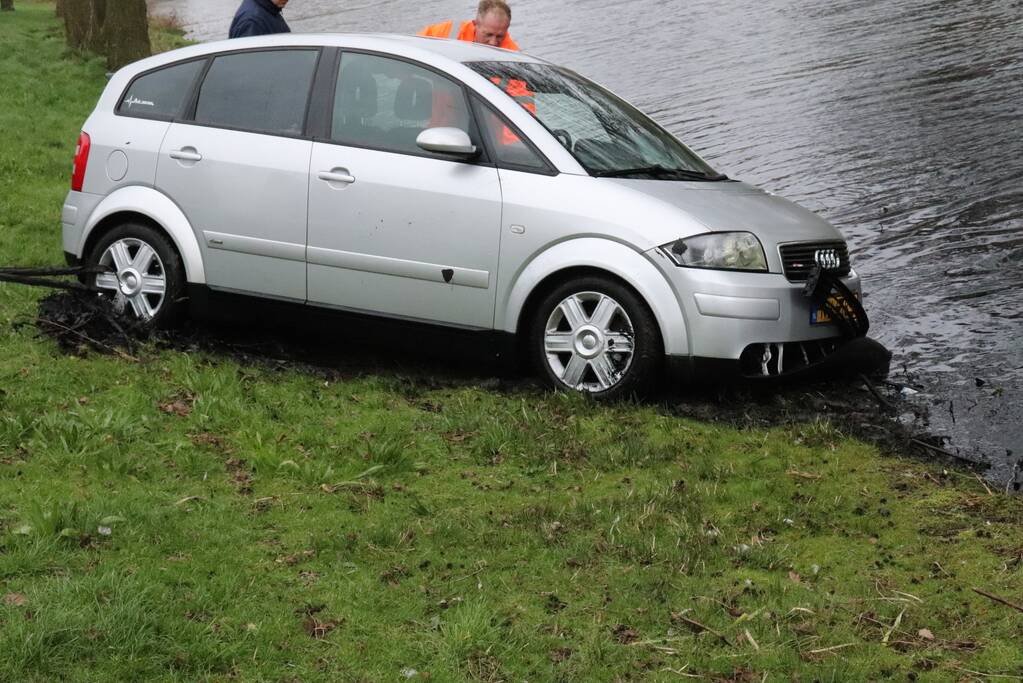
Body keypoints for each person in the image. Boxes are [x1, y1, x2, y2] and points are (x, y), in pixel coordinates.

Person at [418, 1, 519, 51]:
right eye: (488, 34)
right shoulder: (448, 32)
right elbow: (411, 49)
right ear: (475, 24)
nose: (493, 42)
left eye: (500, 36)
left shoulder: (512, 55)